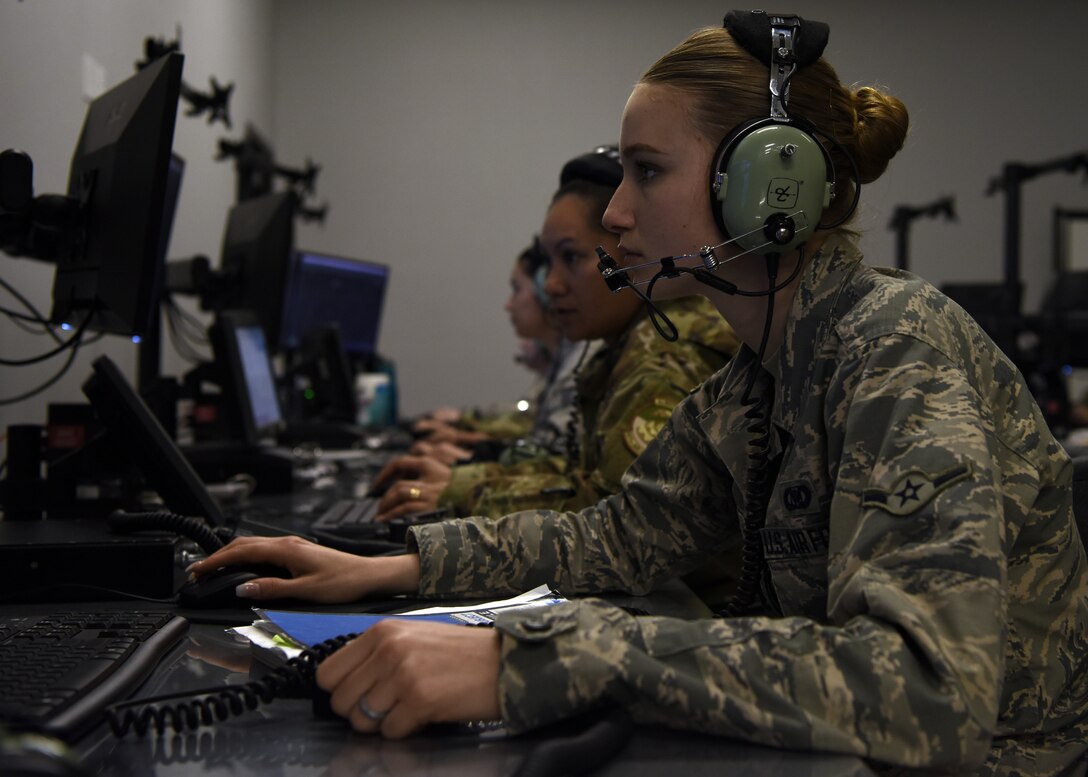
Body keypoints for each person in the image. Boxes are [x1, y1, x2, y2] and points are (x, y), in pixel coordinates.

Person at [191, 12, 1088, 775]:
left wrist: (537, 659)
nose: (616, 212)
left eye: (647, 170)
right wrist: (387, 566)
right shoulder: (754, 384)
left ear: (771, 190)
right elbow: (613, 537)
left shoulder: (895, 345)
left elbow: (931, 692)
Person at [372, 146, 739, 523]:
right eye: (549, 262)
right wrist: (466, 481)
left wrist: (460, 493)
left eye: (572, 257)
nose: (551, 285)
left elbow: (618, 522)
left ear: (631, 250)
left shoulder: (664, 360)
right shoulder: (636, 342)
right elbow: (587, 482)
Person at [409, 240, 594, 467]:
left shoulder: (583, 357)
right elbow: (533, 427)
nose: (508, 305)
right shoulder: (568, 356)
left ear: (542, 292)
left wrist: (470, 459)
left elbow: (555, 457)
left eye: (517, 289)